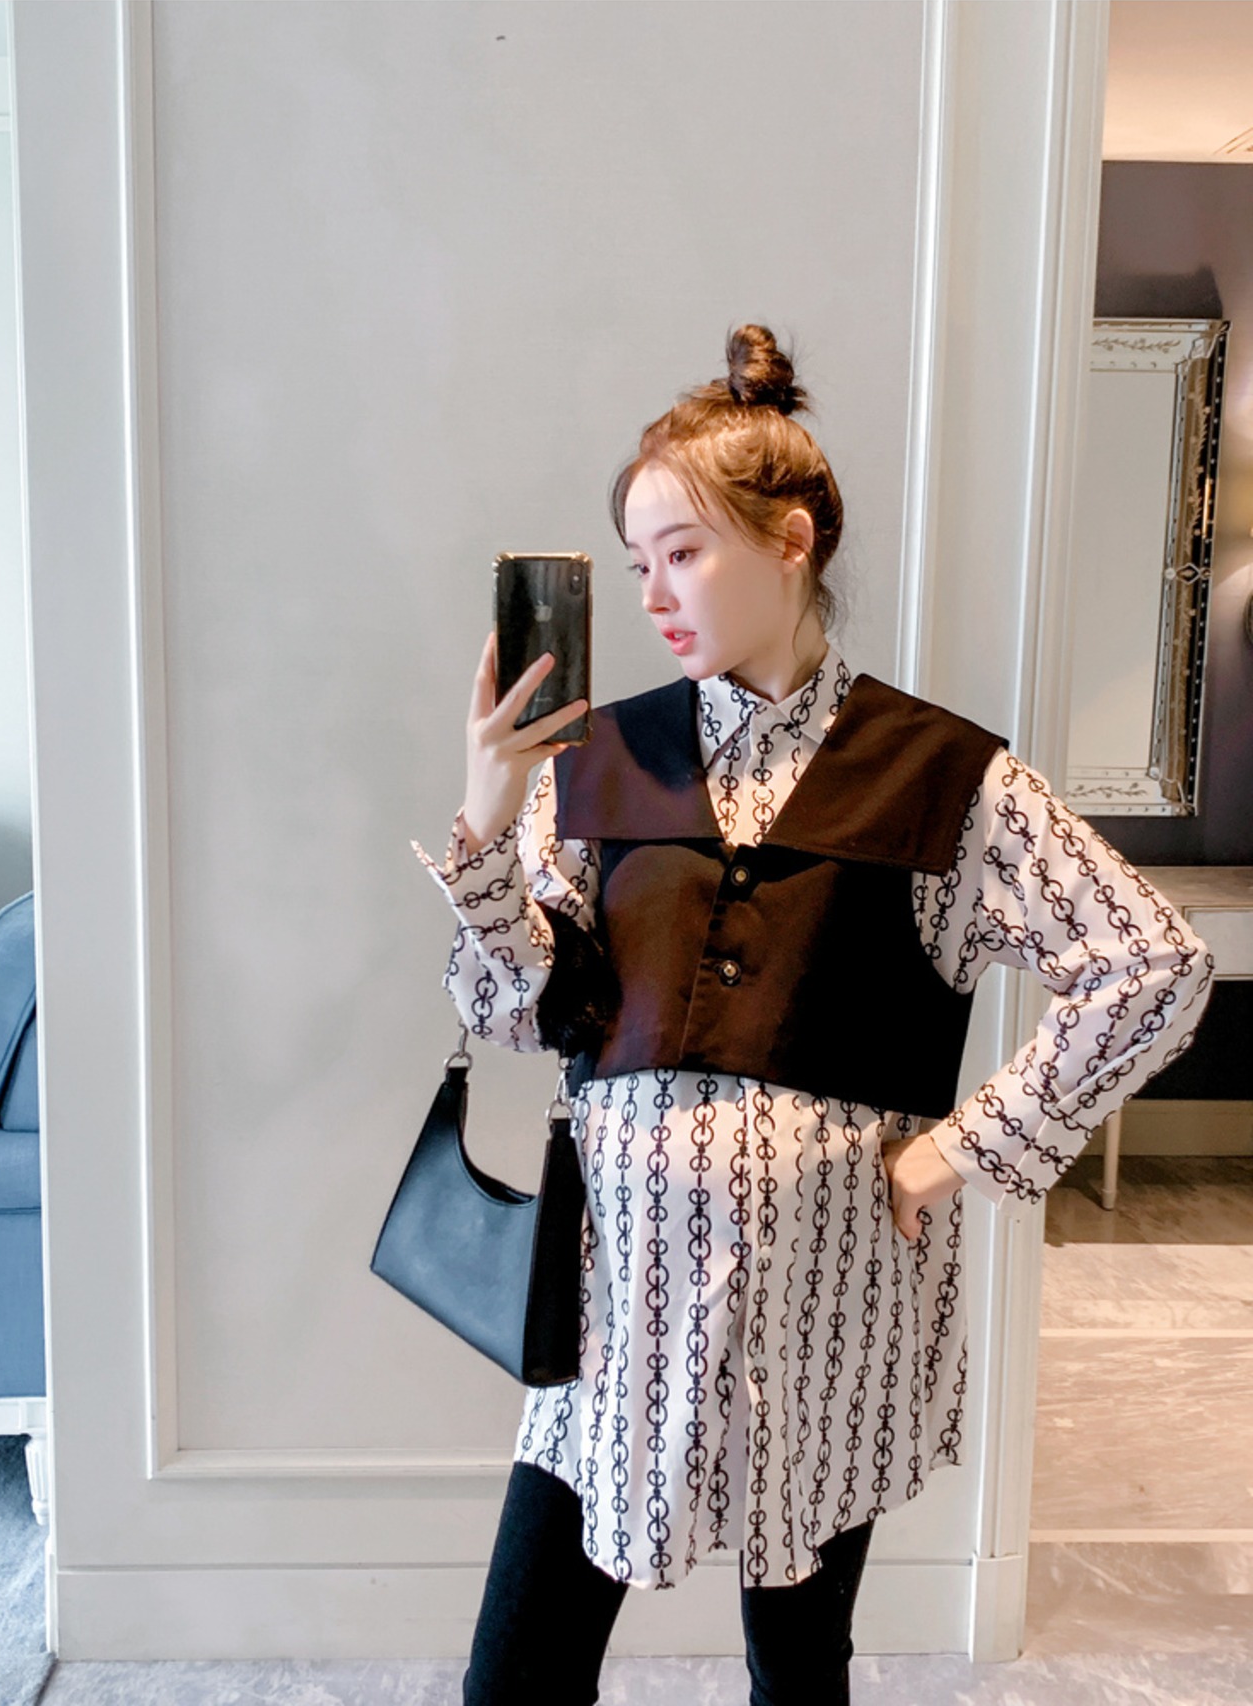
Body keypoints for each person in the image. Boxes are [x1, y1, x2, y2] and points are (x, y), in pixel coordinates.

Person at [410, 324, 1215, 1706]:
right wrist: (486, 820)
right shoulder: (596, 761)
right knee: (520, 1673)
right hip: (616, 1300)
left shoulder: (945, 776)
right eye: (638, 561)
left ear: (790, 542)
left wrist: (957, 1151)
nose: (655, 594)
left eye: (683, 551)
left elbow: (1153, 967)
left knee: (796, 1670)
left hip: (829, 1311)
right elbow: (508, 1008)